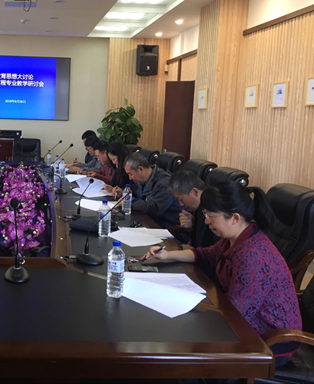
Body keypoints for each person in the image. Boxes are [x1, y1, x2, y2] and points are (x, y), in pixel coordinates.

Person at [143, 182, 302, 366]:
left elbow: (235, 316)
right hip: (244, 320)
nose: (206, 222)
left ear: (234, 218)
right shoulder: (236, 237)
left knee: (185, 340)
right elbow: (206, 254)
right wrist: (168, 255)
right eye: (205, 215)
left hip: (271, 340)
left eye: (211, 216)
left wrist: (190, 306)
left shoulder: (252, 256)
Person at [123, 152, 181, 229]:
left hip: (165, 226)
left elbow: (153, 209)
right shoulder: (143, 180)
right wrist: (124, 193)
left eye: (130, 174)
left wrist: (128, 202)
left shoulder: (165, 183)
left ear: (140, 169)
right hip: (148, 220)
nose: (130, 178)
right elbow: (139, 196)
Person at [168, 170, 219, 248]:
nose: (181, 204)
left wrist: (194, 251)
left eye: (181, 199)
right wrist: (192, 224)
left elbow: (215, 248)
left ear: (195, 192)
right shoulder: (199, 206)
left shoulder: (214, 208)